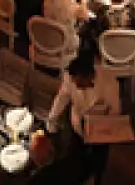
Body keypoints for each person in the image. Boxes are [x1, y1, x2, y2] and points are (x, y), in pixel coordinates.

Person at [48, 55, 120, 185]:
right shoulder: (70, 78)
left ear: (90, 77)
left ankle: (97, 178)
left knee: (99, 158)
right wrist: (51, 121)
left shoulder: (109, 82)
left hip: (101, 127)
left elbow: (115, 110)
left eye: (80, 83)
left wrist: (101, 125)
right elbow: (61, 99)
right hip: (78, 123)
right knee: (75, 156)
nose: (75, 85)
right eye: (74, 81)